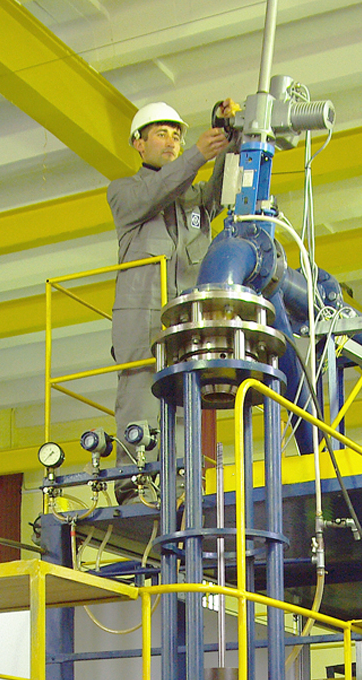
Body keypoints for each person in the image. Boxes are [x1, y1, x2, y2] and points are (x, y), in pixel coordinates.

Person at [107, 99, 237, 503]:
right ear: (138, 144)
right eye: (161, 133)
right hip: (141, 320)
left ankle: (181, 487)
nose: (172, 141)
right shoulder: (124, 193)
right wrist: (199, 152)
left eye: (177, 134)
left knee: (183, 402)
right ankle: (133, 487)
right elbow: (157, 191)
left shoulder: (194, 199)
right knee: (138, 398)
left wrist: (229, 133)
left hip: (184, 321)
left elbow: (225, 183)